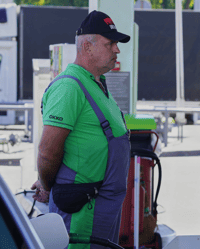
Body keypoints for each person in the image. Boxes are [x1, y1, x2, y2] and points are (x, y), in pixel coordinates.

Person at [31, 10, 131, 248]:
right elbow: (47, 152)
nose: (117, 50)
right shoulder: (69, 87)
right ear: (87, 47)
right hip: (81, 213)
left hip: (101, 210)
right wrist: (45, 185)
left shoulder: (96, 83)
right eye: (110, 44)